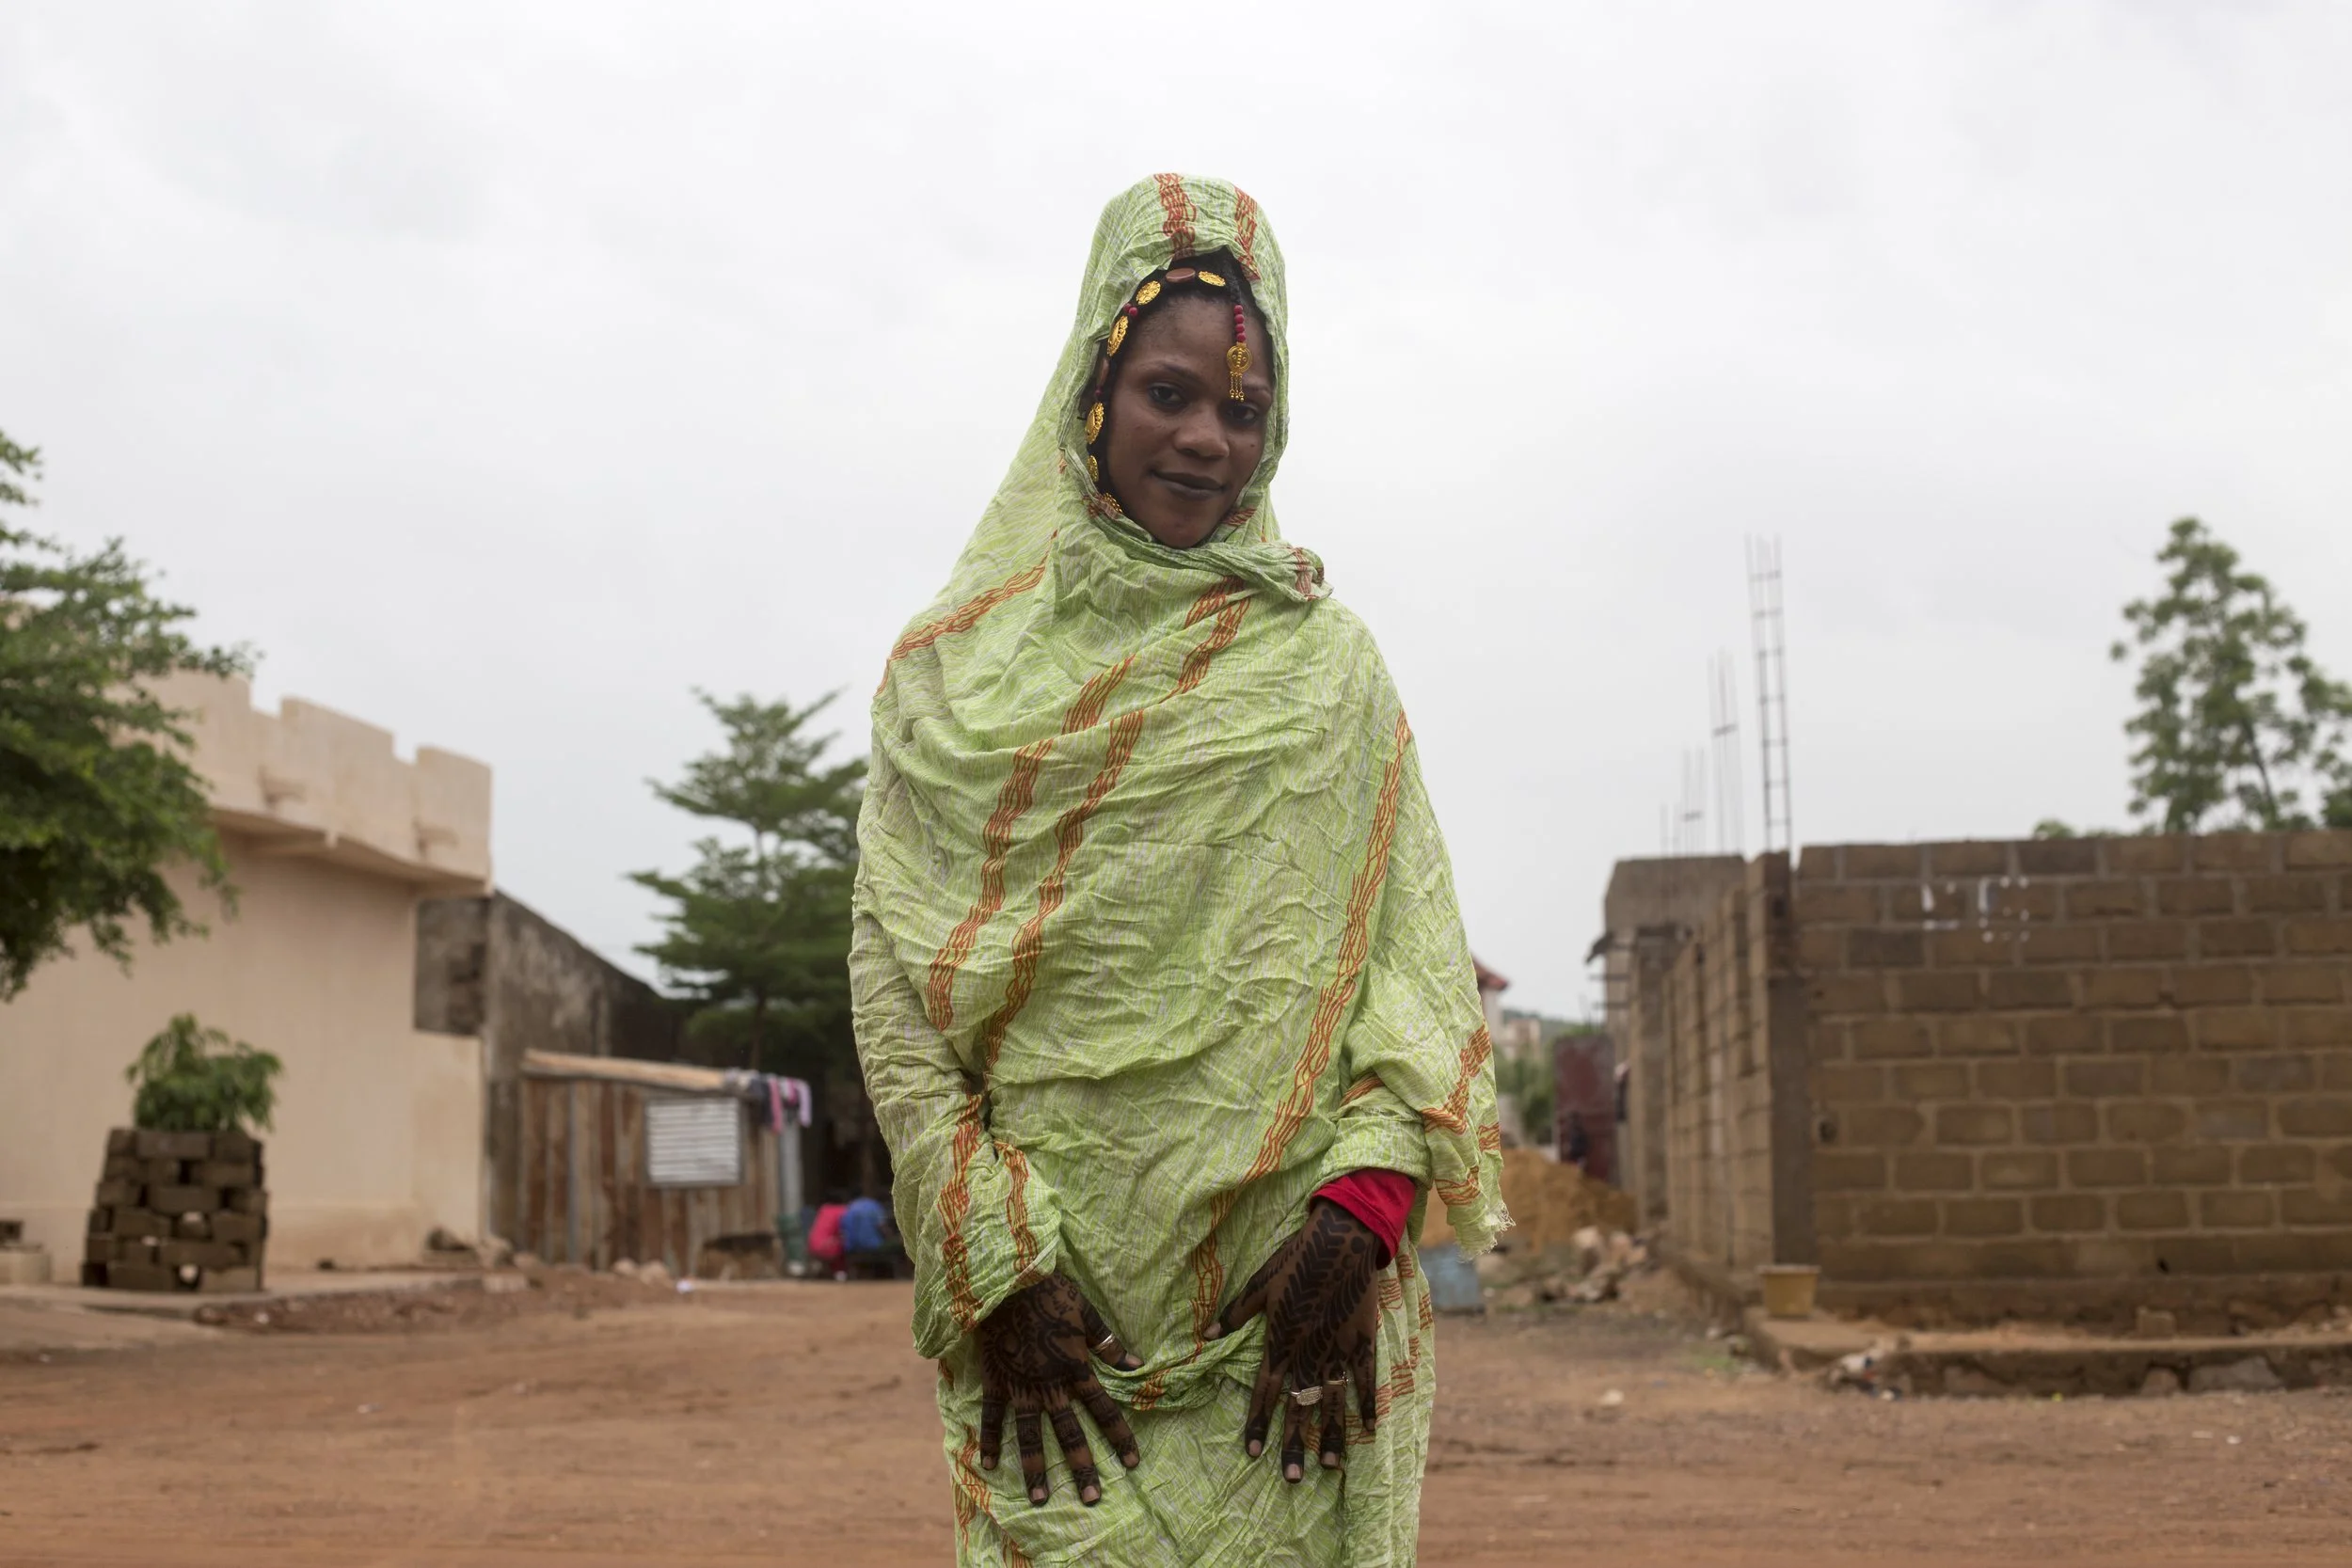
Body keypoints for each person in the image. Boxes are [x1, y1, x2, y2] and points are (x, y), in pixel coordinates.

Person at [853, 174, 1506, 1566]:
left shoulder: (1328, 671)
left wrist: (1364, 1219)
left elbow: (1415, 964)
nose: (1209, 438)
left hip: (1299, 1351)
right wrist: (994, 1266)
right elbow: (902, 1007)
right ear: (1090, 387)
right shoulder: (949, 684)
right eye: (1168, 392)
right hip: (1054, 1359)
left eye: (1246, 409)